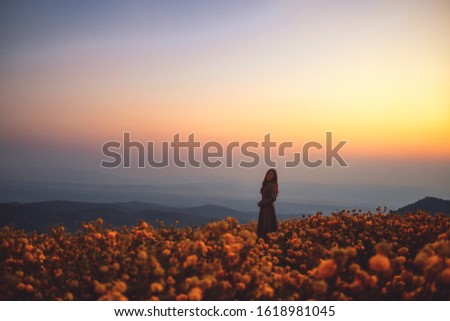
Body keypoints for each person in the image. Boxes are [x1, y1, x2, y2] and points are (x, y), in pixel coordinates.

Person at [257, 168, 279, 240]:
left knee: (266, 226)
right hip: (265, 208)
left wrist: (262, 202)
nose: (268, 175)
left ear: (274, 176)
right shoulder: (268, 185)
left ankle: (265, 242)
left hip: (268, 209)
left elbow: (273, 198)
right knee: (264, 225)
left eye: (271, 174)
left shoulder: (271, 185)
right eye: (268, 173)